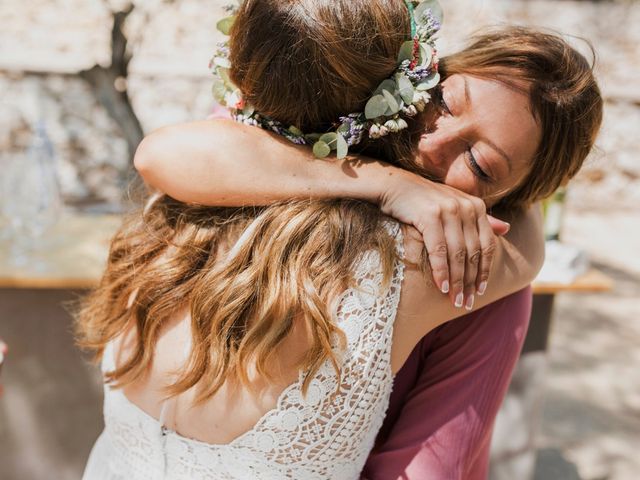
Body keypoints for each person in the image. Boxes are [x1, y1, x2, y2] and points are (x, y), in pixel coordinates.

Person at [78, 1, 602, 479]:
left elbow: (428, 466)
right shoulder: (273, 146)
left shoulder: (468, 276)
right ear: (421, 71)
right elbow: (166, 152)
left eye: (480, 165)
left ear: (507, 202)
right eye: (444, 100)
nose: (432, 140)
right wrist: (390, 183)